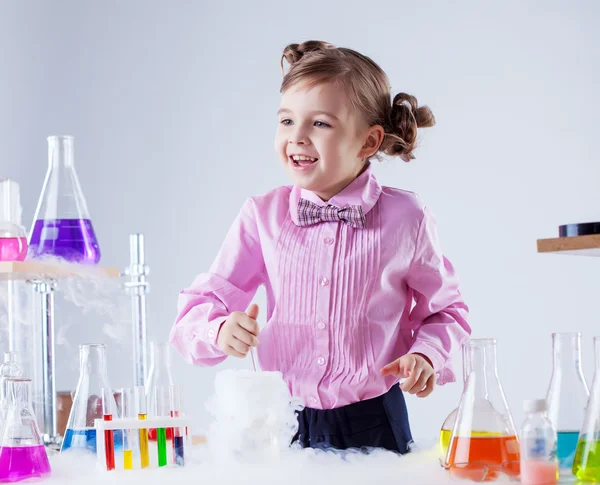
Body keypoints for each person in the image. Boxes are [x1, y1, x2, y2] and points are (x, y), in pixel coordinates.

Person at [170, 40, 471, 453]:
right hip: (277, 421)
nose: (298, 137)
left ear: (368, 142)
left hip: (374, 420)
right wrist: (220, 329)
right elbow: (195, 310)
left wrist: (426, 356)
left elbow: (447, 311)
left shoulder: (407, 217)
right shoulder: (262, 216)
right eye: (287, 121)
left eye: (321, 124)